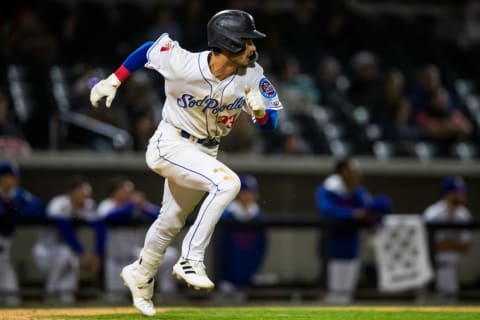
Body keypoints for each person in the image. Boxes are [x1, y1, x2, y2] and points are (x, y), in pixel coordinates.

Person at [90, 9, 282, 316]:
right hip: (170, 143)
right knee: (228, 183)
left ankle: (139, 274)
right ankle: (191, 259)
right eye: (246, 41)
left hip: (205, 153)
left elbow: (271, 122)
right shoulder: (183, 62)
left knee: (171, 221)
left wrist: (259, 114)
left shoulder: (253, 74)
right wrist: (113, 80)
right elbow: (148, 49)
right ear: (228, 42)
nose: (252, 48)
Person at [315, 158, 390, 304]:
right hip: (332, 242)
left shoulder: (358, 190)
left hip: (351, 242)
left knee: (347, 293)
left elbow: (369, 207)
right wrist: (352, 214)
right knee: (333, 292)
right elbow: (327, 210)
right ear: (342, 172)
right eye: (351, 170)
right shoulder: (328, 188)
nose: (355, 174)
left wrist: (376, 211)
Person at [97, 176, 179, 302]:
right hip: (116, 261)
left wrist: (143, 207)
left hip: (135, 256)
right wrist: (132, 205)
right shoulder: (107, 205)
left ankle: (167, 293)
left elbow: (162, 216)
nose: (131, 194)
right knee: (115, 300)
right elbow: (109, 218)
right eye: (126, 190)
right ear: (116, 191)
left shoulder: (137, 205)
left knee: (170, 256)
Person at [32, 176, 105, 304]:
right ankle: (49, 295)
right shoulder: (58, 203)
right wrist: (81, 253)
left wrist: (97, 255)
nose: (86, 197)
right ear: (72, 192)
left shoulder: (88, 205)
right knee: (65, 252)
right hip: (45, 251)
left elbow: (100, 226)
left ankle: (65, 305)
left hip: (68, 252)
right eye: (83, 194)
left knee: (69, 287)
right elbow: (63, 226)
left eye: (88, 195)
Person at [0, 161, 44, 305]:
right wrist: (11, 209)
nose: (14, 180)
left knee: (12, 299)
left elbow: (38, 207)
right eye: (10, 176)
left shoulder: (16, 194)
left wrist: (16, 210)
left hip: (4, 251)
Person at [217, 174, 267, 301]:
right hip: (228, 271)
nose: (249, 196)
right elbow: (221, 247)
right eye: (245, 192)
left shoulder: (258, 216)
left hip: (248, 269)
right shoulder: (227, 215)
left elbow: (262, 245)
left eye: (251, 192)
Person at [423, 176, 472, 302]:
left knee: (450, 307)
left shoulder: (464, 215)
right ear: (448, 194)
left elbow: (465, 246)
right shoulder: (432, 213)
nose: (462, 195)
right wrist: (453, 244)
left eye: (462, 192)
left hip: (451, 270)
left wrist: (444, 244)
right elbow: (429, 246)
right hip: (429, 269)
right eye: (458, 192)